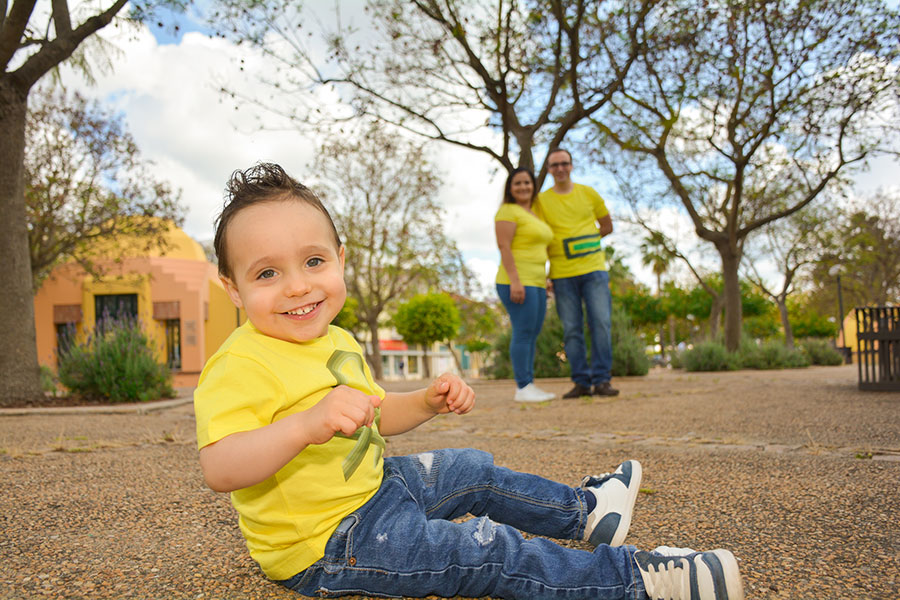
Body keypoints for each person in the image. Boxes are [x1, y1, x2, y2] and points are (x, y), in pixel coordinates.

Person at [194, 162, 744, 600]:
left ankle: (587, 511)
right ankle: (637, 581)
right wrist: (303, 426)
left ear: (340, 259)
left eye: (313, 261)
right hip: (330, 543)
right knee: (484, 548)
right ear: (233, 288)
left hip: (378, 489)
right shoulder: (240, 364)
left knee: (471, 468)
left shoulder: (335, 339)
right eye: (267, 272)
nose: (297, 286)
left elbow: (374, 415)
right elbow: (221, 466)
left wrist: (426, 402)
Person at [536, 148, 619, 399]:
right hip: (561, 275)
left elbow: (607, 226)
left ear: (571, 166)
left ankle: (602, 380)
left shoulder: (589, 193)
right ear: (549, 169)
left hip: (594, 271)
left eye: (564, 163)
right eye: (554, 165)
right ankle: (581, 382)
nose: (560, 169)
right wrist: (545, 274)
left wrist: (586, 243)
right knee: (571, 329)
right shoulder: (541, 201)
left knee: (600, 324)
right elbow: (540, 237)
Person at [495, 167, 555, 403]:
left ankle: (529, 384)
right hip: (517, 282)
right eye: (517, 183)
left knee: (532, 333)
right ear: (510, 188)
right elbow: (504, 246)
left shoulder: (534, 214)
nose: (523, 187)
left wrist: (545, 279)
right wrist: (515, 281)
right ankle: (523, 387)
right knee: (523, 332)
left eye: (527, 182)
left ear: (533, 186)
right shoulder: (507, 211)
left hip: (536, 283)